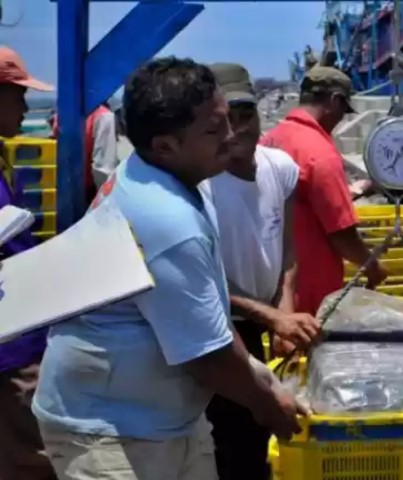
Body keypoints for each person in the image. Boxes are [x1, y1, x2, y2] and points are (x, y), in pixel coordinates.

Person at [32, 57, 305, 480]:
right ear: (165, 145)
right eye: (214, 130)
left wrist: (261, 377)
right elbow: (207, 354)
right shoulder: (169, 219)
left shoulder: (161, 175)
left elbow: (206, 310)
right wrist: (268, 405)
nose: (230, 137)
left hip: (165, 418)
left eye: (228, 120)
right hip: (108, 429)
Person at [201, 63, 320, 480]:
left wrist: (283, 312)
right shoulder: (201, 187)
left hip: (265, 319)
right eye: (225, 121)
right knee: (231, 441)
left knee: (261, 437)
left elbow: (287, 251)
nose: (237, 131)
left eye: (246, 116)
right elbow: (205, 281)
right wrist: (272, 317)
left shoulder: (280, 168)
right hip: (219, 328)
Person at [261, 66, 387, 318]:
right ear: (335, 101)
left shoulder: (270, 139)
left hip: (270, 289)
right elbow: (341, 235)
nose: (341, 118)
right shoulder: (319, 153)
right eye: (343, 110)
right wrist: (373, 267)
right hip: (309, 297)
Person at [0, 46, 57, 480]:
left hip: (23, 332)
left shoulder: (5, 158)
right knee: (38, 462)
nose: (26, 106)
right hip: (12, 351)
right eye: (17, 95)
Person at [51, 101, 120, 201]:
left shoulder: (62, 114)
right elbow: (103, 170)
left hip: (62, 191)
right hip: (89, 194)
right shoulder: (103, 116)